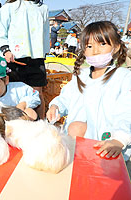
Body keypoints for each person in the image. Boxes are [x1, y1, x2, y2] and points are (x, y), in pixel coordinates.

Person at [46, 21, 131, 164]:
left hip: (107, 146)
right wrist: (55, 107)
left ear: (115, 47)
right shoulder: (81, 75)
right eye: (89, 46)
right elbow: (65, 97)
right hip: (76, 145)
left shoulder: (123, 77)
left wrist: (119, 139)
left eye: (102, 44)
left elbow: (127, 111)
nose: (95, 50)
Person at [0, 0, 49, 119]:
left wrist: (44, 52)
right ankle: (13, 125)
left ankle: (41, 124)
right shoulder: (8, 7)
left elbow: (45, 33)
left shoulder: (43, 8)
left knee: (37, 93)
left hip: (37, 57)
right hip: (15, 58)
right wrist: (6, 50)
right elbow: (0, 31)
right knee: (15, 94)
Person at [0, 54, 40, 120]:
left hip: (23, 125)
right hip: (5, 127)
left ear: (6, 80)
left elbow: (35, 96)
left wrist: (23, 103)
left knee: (29, 112)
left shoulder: (19, 88)